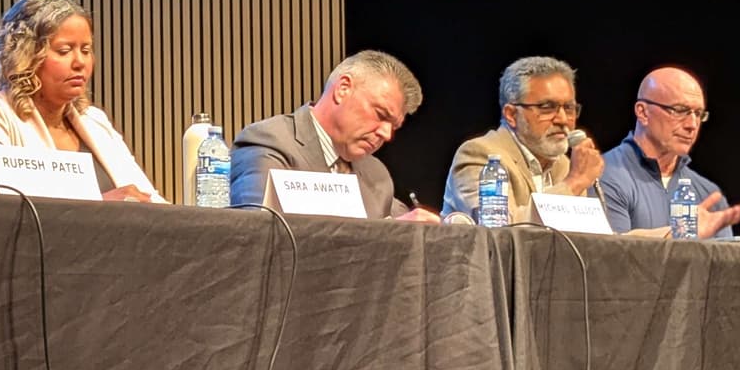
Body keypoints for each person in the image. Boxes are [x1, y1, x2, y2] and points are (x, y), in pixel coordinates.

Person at [0, 0, 161, 200]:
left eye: (86, 50)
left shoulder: (95, 122)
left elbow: (153, 204)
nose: (80, 62)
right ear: (27, 55)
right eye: (64, 51)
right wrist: (101, 209)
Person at [227, 51, 436, 219]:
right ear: (343, 89)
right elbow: (259, 236)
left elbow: (406, 227)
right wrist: (389, 235)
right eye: (380, 114)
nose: (386, 134)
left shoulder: (376, 174)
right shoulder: (269, 143)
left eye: (394, 127)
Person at [595, 66, 740, 240]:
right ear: (643, 112)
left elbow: (725, 265)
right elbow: (611, 257)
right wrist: (682, 233)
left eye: (698, 114)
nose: (692, 124)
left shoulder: (708, 194)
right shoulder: (604, 175)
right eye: (679, 110)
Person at [441, 56, 602, 220]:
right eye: (546, 107)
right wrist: (573, 183)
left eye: (568, 108)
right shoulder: (481, 156)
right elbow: (501, 230)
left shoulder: (565, 165)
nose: (562, 119)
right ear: (511, 114)